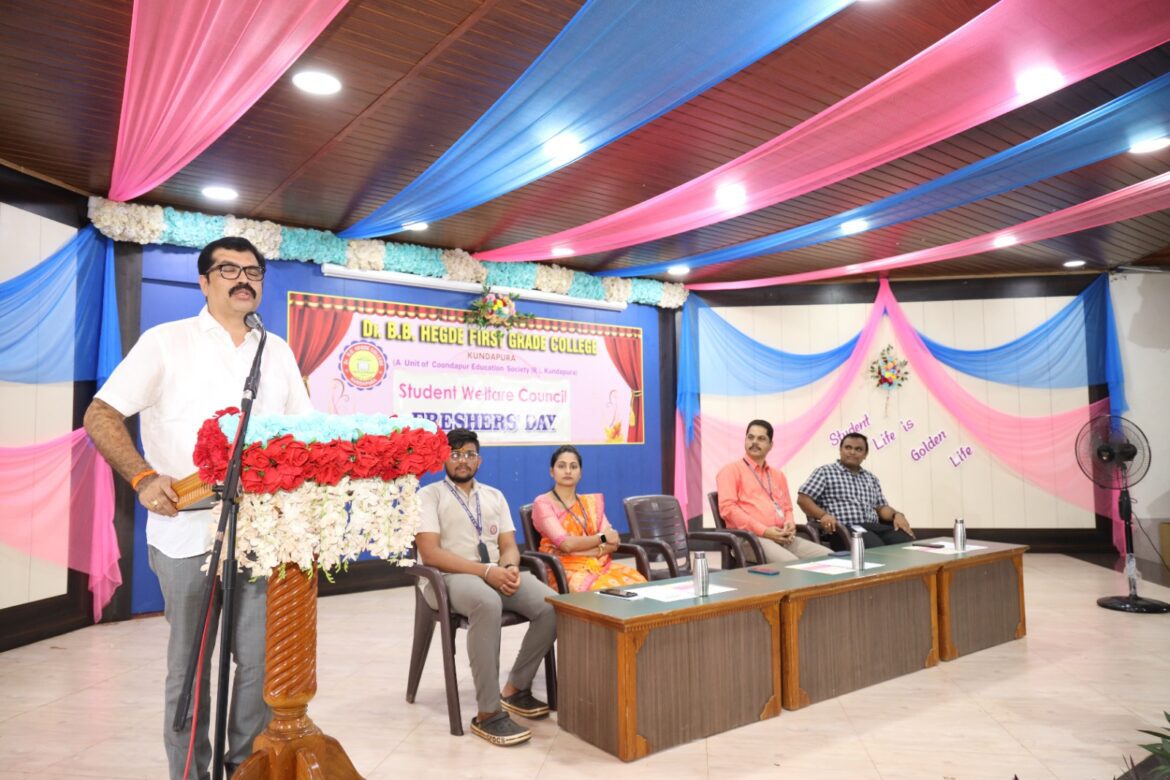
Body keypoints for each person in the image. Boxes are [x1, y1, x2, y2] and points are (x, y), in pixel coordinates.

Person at [83, 237, 313, 779]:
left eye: (253, 271)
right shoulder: (166, 342)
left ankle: (244, 769)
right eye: (228, 269)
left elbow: (304, 435)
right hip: (187, 535)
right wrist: (142, 477)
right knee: (190, 668)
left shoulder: (276, 351)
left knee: (258, 668)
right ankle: (189, 773)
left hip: (261, 538)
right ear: (203, 281)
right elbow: (101, 414)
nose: (243, 279)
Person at [415, 428, 557, 747]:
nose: (462, 461)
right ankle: (488, 713)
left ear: (479, 460)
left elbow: (508, 545)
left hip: (493, 572)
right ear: (443, 458)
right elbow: (431, 554)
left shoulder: (494, 495)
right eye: (455, 454)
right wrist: (486, 571)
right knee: (487, 602)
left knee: (552, 605)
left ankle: (515, 688)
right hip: (447, 578)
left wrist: (509, 566)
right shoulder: (429, 496)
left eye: (469, 454)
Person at [530, 445, 647, 592]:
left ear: (580, 473)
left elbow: (613, 541)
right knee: (604, 592)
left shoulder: (590, 503)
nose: (568, 471)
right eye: (561, 466)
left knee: (638, 584)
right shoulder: (543, 503)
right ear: (552, 472)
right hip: (562, 571)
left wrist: (586, 551)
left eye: (573, 466)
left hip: (598, 566)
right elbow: (566, 544)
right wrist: (601, 539)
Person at [715, 420, 831, 563]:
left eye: (761, 438)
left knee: (830, 558)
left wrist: (789, 523)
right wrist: (764, 531)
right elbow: (728, 510)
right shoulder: (730, 471)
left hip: (781, 536)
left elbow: (787, 508)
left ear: (771, 445)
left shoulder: (778, 475)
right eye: (750, 437)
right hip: (749, 538)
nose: (754, 442)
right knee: (792, 564)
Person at [797, 432, 916, 549]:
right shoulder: (825, 472)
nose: (852, 452)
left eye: (858, 449)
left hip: (873, 527)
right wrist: (823, 516)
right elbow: (803, 499)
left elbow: (881, 508)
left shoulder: (871, 478)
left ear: (865, 454)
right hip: (843, 529)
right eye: (848, 448)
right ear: (840, 450)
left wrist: (897, 515)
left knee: (906, 541)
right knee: (875, 545)